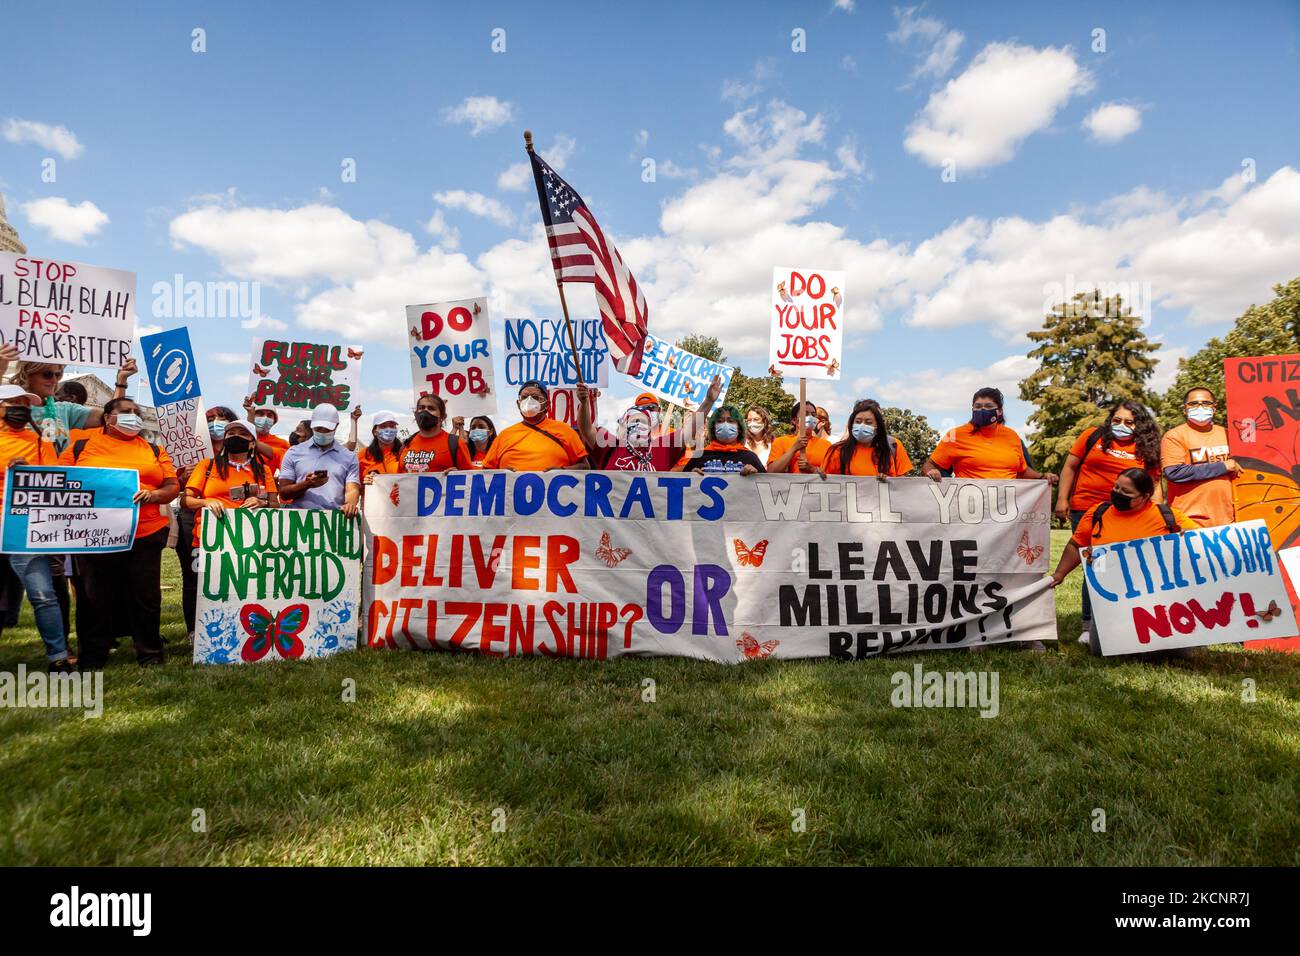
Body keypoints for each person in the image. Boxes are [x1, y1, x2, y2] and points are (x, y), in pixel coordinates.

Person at [59, 397, 179, 669]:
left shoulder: (153, 449)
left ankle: (150, 653)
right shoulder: (81, 446)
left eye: (137, 412)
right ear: (107, 418)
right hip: (93, 535)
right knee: (93, 596)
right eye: (126, 412)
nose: (134, 416)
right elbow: (60, 478)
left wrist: (154, 494)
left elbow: (172, 485)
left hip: (145, 533)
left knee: (145, 596)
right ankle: (92, 655)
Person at [1049, 468, 1199, 657]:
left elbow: (1202, 541)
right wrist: (1060, 573)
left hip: (1159, 599)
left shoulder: (1168, 516)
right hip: (1112, 601)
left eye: (1127, 492)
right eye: (1116, 487)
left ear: (1145, 496)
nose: (1118, 493)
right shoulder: (1098, 513)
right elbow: (1075, 544)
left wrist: (1190, 536)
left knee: (1180, 654)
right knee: (1100, 649)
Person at [1054, 401, 1163, 643]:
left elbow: (1154, 484)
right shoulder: (1092, 437)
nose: (1121, 426)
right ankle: (1089, 624)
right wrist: (1062, 499)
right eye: (1117, 420)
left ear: (1140, 425)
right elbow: (1070, 466)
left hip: (1129, 513)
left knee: (1128, 566)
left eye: (1129, 422)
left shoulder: (1148, 448)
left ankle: (1127, 619)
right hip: (1087, 511)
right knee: (1094, 565)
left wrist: (1158, 514)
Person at [0, 383, 70, 672]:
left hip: (24, 529)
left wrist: (29, 471)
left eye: (25, 404)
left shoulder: (41, 442)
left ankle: (58, 657)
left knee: (42, 594)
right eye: (14, 403)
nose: (21, 408)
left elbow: (56, 479)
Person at [0, 345, 138, 453]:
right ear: (28, 374)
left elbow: (110, 417)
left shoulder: (64, 409)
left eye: (58, 374)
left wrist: (121, 381)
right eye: (47, 374)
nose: (54, 380)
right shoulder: (8, 406)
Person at [576, 377, 719, 472]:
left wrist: (708, 402)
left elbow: (690, 430)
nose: (638, 426)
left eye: (643, 421)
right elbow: (586, 429)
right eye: (633, 421)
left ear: (651, 426)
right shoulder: (611, 446)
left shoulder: (662, 448)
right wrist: (584, 402)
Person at [921, 387, 1058, 484]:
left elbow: (1021, 471)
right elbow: (930, 464)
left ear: (999, 411)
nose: (982, 409)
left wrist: (1042, 477)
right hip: (968, 508)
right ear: (972, 408)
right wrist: (931, 472)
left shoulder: (1012, 436)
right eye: (978, 406)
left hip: (1006, 508)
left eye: (988, 406)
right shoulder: (955, 435)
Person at [183, 420, 277, 552]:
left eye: (243, 434)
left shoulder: (263, 470)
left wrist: (262, 502)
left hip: (251, 541)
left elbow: (275, 504)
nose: (235, 436)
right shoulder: (206, 465)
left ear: (252, 444)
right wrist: (205, 501)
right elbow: (185, 501)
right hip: (210, 540)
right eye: (231, 433)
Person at [1161, 387, 1238, 527]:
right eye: (1194, 404)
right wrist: (1223, 466)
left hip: (1228, 518)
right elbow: (1174, 472)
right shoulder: (1174, 436)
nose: (1200, 407)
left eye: (1206, 403)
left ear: (1214, 408)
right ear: (1185, 409)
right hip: (1189, 521)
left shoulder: (1228, 434)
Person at [481, 381, 590, 472]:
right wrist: (502, 474)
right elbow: (486, 471)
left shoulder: (565, 430)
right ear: (518, 404)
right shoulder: (504, 435)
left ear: (547, 404)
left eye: (535, 397)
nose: (529, 401)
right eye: (524, 397)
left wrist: (562, 471)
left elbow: (585, 467)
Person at [276, 403, 361, 516]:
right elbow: (284, 493)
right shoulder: (294, 453)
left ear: (336, 426)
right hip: (300, 520)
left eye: (327, 429)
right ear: (312, 426)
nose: (322, 432)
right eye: (318, 428)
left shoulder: (348, 457)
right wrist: (306, 484)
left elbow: (352, 489)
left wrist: (350, 504)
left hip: (334, 519)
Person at [820, 399, 912, 477]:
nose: (862, 426)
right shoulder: (837, 451)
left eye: (868, 422)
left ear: (878, 427)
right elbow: (826, 482)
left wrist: (887, 481)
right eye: (858, 421)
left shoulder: (885, 454)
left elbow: (898, 484)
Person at [672, 405, 766, 475]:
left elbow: (768, 488)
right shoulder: (699, 456)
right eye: (720, 421)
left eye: (730, 421)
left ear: (739, 428)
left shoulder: (750, 457)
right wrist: (690, 476)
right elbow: (681, 488)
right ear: (713, 428)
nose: (725, 424)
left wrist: (756, 475)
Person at [397, 394, 472, 472]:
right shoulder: (406, 445)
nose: (425, 411)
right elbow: (398, 480)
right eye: (421, 408)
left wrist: (458, 476)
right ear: (415, 414)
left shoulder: (456, 444)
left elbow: (472, 479)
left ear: (442, 417)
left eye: (431, 408)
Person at [768, 400, 832, 474]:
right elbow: (771, 471)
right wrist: (794, 448)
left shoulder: (826, 445)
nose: (810, 417)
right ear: (794, 420)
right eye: (806, 414)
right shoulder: (780, 442)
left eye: (813, 415)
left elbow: (832, 475)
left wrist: (811, 468)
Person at [358, 410, 404, 484]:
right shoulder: (364, 454)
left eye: (392, 426)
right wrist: (364, 483)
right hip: (372, 495)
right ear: (375, 431)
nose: (388, 429)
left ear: (396, 430)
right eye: (383, 426)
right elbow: (355, 484)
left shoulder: (404, 452)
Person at [243, 399, 289, 470]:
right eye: (260, 414)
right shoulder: (240, 439)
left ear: (274, 421)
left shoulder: (283, 444)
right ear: (252, 416)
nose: (265, 418)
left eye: (269, 415)